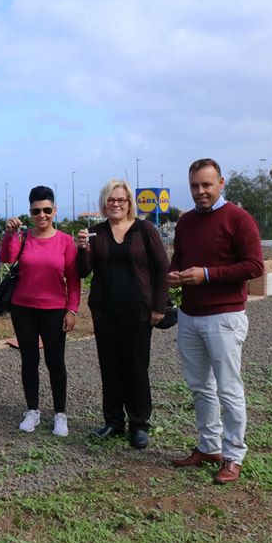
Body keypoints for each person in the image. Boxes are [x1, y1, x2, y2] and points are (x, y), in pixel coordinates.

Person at [168, 158, 264, 484]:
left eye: (207, 185)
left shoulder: (238, 218)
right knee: (200, 387)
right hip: (190, 316)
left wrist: (207, 275)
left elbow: (254, 266)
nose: (200, 191)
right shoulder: (186, 222)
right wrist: (175, 275)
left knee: (228, 388)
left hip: (224, 316)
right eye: (195, 185)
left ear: (221, 183)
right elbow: (180, 259)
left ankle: (234, 454)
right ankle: (209, 446)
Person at [77, 180, 169, 449]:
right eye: (111, 200)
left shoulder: (145, 230)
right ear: (104, 204)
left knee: (136, 368)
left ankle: (139, 424)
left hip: (138, 311)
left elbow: (162, 269)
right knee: (110, 368)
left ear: (130, 203)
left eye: (121, 200)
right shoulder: (96, 233)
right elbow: (84, 271)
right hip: (105, 311)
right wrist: (82, 250)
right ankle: (114, 422)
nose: (116, 204)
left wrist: (159, 307)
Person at [0, 185, 80, 437]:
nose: (42, 215)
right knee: (29, 361)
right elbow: (6, 258)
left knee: (55, 362)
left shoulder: (66, 241)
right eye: (36, 211)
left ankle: (60, 413)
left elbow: (74, 279)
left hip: (54, 309)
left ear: (54, 210)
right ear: (30, 212)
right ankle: (32, 410)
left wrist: (73, 310)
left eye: (47, 210)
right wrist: (9, 234)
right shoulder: (23, 237)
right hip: (23, 308)